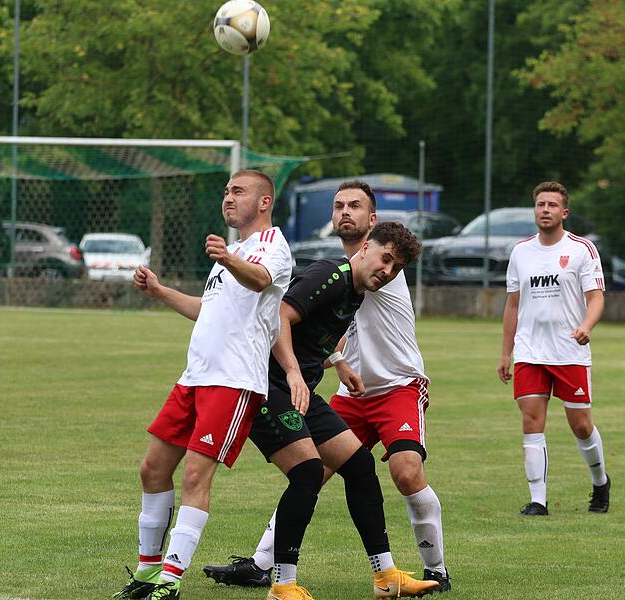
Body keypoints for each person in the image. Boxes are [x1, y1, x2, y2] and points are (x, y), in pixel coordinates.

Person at [204, 181, 451, 593]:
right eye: (338, 206)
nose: (344, 213)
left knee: (401, 471)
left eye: (355, 206)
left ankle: (433, 570)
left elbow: (318, 317)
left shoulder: (374, 269)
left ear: (373, 224)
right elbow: (292, 312)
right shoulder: (342, 272)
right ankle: (268, 570)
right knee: (311, 473)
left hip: (396, 385)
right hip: (320, 389)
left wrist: (333, 359)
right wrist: (331, 362)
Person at [112, 169, 292, 600]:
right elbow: (206, 309)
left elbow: (261, 280)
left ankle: (170, 582)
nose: (228, 198)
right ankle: (147, 572)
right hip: (194, 378)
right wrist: (160, 291)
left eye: (239, 191)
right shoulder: (234, 251)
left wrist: (229, 259)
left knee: (196, 474)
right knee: (152, 469)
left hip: (233, 382)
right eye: (226, 192)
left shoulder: (273, 246)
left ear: (264, 202)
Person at [497, 181, 611, 516]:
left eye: (551, 205)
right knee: (531, 421)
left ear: (564, 212)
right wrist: (506, 353)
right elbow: (513, 305)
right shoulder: (520, 252)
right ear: (534, 210)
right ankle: (538, 501)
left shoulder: (582, 249)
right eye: (540, 204)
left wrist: (586, 326)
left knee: (581, 425)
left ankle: (600, 481)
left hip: (569, 352)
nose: (545, 209)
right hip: (529, 352)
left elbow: (596, 297)